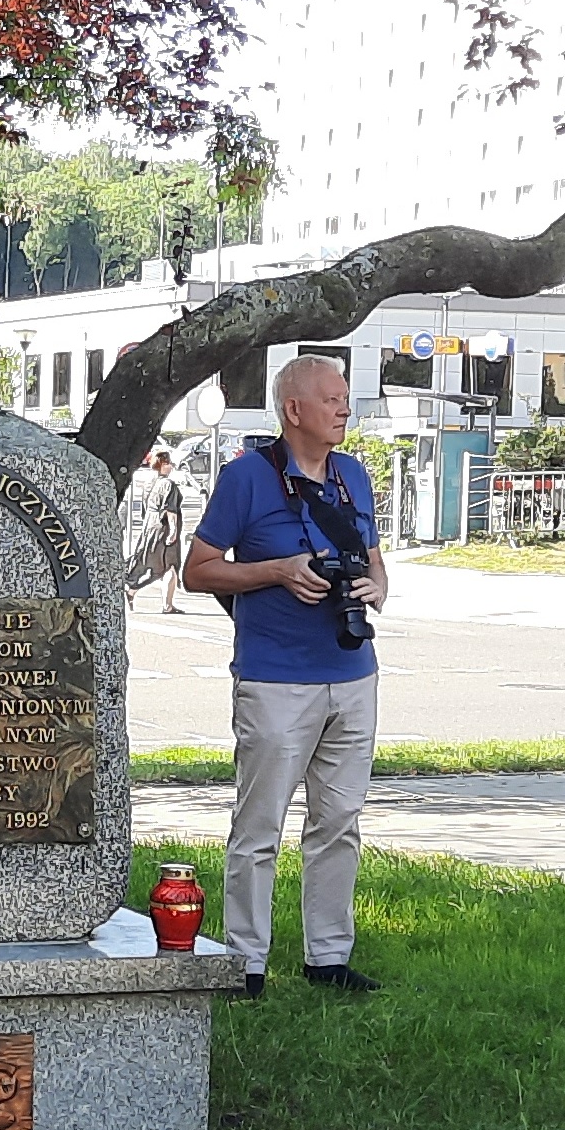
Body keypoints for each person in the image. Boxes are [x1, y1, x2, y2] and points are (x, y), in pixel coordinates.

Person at [184, 355, 389, 995]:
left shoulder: (354, 476)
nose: (344, 409)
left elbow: (378, 565)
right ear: (293, 409)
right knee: (259, 827)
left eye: (346, 399)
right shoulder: (246, 477)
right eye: (331, 399)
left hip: (352, 672)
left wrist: (374, 587)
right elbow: (199, 569)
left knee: (339, 822)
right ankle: (245, 963)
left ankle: (328, 957)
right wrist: (275, 571)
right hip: (276, 678)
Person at [126, 449, 193, 611]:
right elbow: (171, 511)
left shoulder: (149, 484)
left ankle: (133, 589)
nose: (170, 467)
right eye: (168, 463)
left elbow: (144, 508)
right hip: (163, 528)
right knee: (170, 565)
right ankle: (167, 605)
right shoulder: (168, 485)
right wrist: (173, 531)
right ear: (161, 465)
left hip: (150, 527)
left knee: (151, 563)